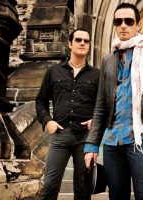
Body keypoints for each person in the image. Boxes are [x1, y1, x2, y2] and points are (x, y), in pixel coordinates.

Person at [84, 3, 143, 200]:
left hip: (142, 139)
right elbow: (101, 105)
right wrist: (91, 145)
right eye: (118, 21)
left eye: (129, 21)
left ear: (138, 25)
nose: (123, 25)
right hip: (111, 140)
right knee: (117, 195)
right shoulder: (108, 60)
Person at [36, 29, 100, 200]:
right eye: (78, 40)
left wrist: (96, 119)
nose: (82, 43)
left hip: (85, 138)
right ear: (70, 44)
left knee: (83, 189)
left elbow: (105, 105)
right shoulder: (53, 72)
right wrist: (47, 121)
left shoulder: (97, 75)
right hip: (60, 135)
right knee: (49, 187)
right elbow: (40, 101)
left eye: (86, 41)